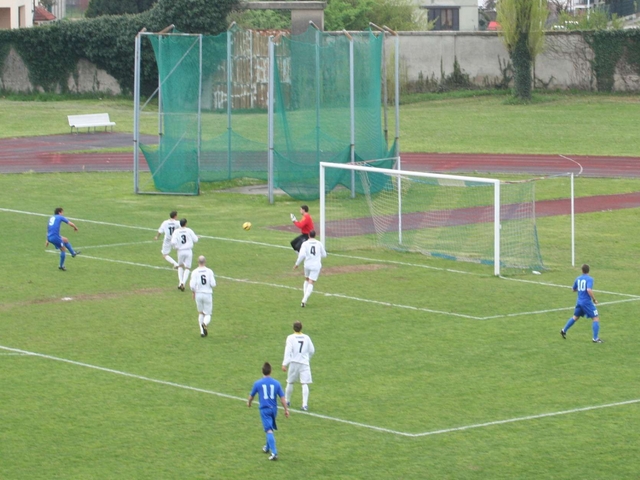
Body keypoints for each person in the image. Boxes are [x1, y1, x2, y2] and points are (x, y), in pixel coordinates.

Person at [248, 362, 290, 461]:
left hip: (264, 409)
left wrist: (249, 403)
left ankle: (274, 452)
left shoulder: (258, 383)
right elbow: (283, 398)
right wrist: (286, 410)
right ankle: (267, 447)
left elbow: (251, 396)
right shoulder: (276, 383)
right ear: (270, 371)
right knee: (270, 427)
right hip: (274, 410)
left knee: (268, 430)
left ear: (262, 371)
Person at [561, 264, 603, 343]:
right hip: (586, 302)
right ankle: (595, 338)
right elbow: (589, 290)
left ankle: (563, 330)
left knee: (575, 317)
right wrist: (594, 299)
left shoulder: (578, 278)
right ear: (588, 270)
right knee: (595, 318)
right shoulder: (590, 279)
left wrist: (580, 289)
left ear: (582, 270)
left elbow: (573, 289)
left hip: (579, 302)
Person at [282, 321, 315, 411]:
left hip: (294, 363)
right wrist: (307, 358)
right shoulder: (306, 337)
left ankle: (287, 401)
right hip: (304, 363)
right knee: (304, 383)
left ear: (293, 328)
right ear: (301, 328)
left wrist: (285, 363)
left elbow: (288, 351)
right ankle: (304, 404)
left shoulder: (290, 338)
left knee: (290, 382)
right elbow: (312, 350)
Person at [293, 230, 327, 307]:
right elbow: (324, 255)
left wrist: (297, 264)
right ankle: (304, 300)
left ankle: (304, 298)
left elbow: (301, 255)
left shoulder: (305, 244)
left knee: (307, 280)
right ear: (315, 235)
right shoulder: (319, 243)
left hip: (307, 265)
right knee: (311, 282)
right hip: (316, 265)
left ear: (308, 235)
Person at [189, 255, 216, 338]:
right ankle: (205, 323)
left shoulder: (194, 272)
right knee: (208, 314)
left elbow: (192, 285)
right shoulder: (209, 271)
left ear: (198, 262)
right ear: (205, 262)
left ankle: (202, 332)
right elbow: (213, 284)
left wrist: (193, 292)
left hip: (198, 294)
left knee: (200, 312)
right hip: (207, 294)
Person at [170, 218, 199, 291]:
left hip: (180, 251)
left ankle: (180, 283)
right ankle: (183, 282)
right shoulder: (189, 230)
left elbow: (173, 242)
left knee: (180, 266)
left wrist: (175, 247)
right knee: (187, 268)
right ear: (186, 223)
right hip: (188, 251)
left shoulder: (176, 232)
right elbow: (196, 240)